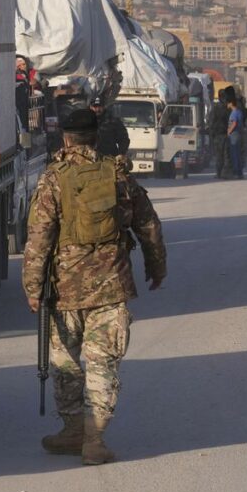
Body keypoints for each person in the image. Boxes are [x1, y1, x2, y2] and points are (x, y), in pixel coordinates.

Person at [22, 109, 165, 465]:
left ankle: (73, 429)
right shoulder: (118, 174)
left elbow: (39, 238)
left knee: (66, 362)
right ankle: (93, 439)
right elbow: (147, 224)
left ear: (66, 138)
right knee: (103, 363)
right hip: (112, 286)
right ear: (95, 136)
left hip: (65, 288)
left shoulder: (54, 178)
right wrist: (156, 266)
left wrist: (33, 287)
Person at [209, 90, 230, 178]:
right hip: (225, 134)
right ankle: (224, 173)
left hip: (218, 134)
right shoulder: (227, 108)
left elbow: (211, 121)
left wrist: (211, 133)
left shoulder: (215, 108)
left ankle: (219, 173)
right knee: (226, 155)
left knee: (219, 155)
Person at [226, 97, 244, 179]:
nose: (227, 104)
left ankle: (236, 172)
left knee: (234, 155)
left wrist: (229, 131)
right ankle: (240, 173)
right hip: (238, 134)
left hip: (234, 134)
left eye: (228, 102)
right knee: (238, 154)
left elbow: (234, 123)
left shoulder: (234, 113)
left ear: (231, 104)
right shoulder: (239, 112)